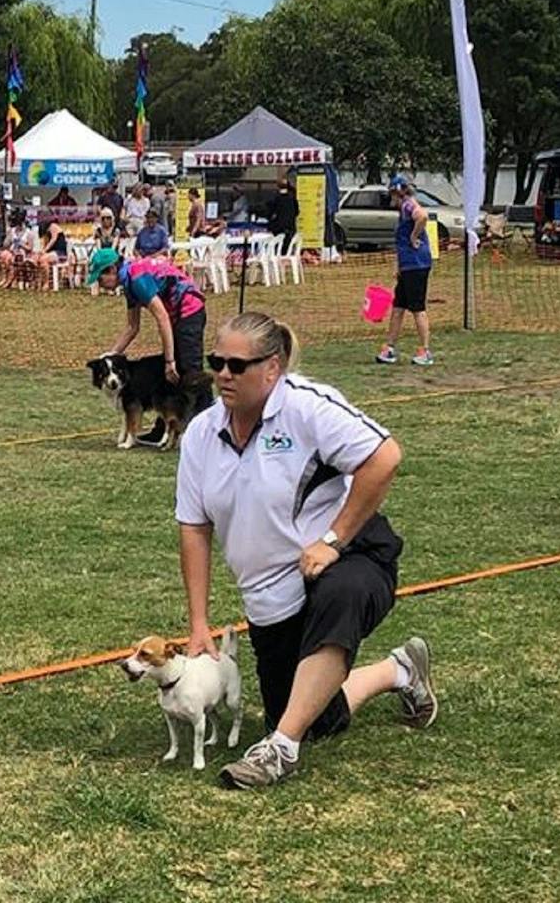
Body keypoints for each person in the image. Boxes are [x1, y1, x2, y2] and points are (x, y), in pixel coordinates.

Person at [176, 312, 436, 789]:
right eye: (217, 362)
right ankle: (399, 670)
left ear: (272, 368)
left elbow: (385, 456)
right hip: (272, 596)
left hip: (352, 557)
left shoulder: (307, 408)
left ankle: (279, 752)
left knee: (340, 600)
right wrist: (198, 623)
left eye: (238, 365)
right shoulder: (200, 434)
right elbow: (194, 526)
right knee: (316, 716)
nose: (224, 375)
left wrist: (332, 540)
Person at [90, 245, 212, 426]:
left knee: (188, 371)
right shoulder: (129, 282)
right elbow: (132, 327)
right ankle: (165, 426)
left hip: (189, 311)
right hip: (176, 315)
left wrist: (169, 361)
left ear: (112, 269)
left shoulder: (138, 279)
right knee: (171, 376)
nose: (99, 283)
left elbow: (161, 317)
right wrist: (111, 355)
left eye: (100, 278)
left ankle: (205, 425)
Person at [375, 176, 434, 367]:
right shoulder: (403, 209)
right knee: (398, 307)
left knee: (418, 308)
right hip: (408, 266)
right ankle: (389, 348)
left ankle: (425, 351)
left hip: (416, 264)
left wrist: (414, 236)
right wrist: (399, 268)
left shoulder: (408, 205)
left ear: (397, 192)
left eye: (391, 193)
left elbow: (422, 216)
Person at [267, 179, 299, 247]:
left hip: (279, 229)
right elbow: (297, 212)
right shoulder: (292, 198)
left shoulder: (276, 198)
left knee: (278, 247)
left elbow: (270, 212)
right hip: (290, 227)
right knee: (288, 247)